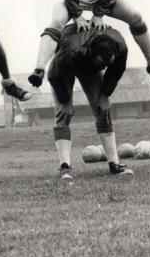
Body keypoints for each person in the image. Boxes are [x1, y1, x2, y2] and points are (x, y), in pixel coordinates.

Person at [47, 24, 134, 179]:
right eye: (102, 65)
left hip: (87, 62)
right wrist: (65, 101)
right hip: (64, 67)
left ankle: (114, 164)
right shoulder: (70, 52)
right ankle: (65, 166)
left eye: (107, 65)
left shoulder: (120, 48)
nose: (104, 68)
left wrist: (105, 95)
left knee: (103, 111)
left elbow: (116, 71)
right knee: (63, 113)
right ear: (91, 53)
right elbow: (53, 74)